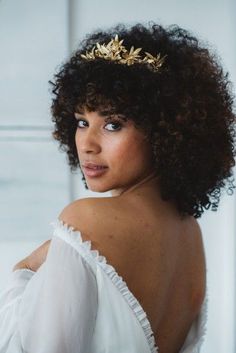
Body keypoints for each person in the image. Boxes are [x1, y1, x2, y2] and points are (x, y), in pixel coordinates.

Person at [0, 21, 235, 353]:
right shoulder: (189, 231)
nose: (87, 144)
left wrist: (21, 270)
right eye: (82, 122)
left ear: (165, 131)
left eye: (113, 124)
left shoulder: (87, 219)